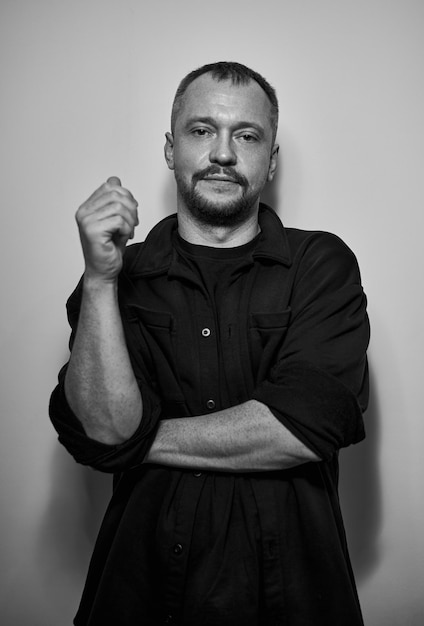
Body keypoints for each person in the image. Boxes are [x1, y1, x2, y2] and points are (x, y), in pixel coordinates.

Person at [49, 61, 370, 626]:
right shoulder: (118, 276)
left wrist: (131, 442)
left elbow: (303, 428)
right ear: (171, 149)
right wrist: (101, 279)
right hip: (137, 595)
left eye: (246, 136)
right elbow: (100, 423)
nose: (223, 153)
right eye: (202, 131)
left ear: (270, 160)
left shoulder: (320, 264)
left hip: (297, 597)